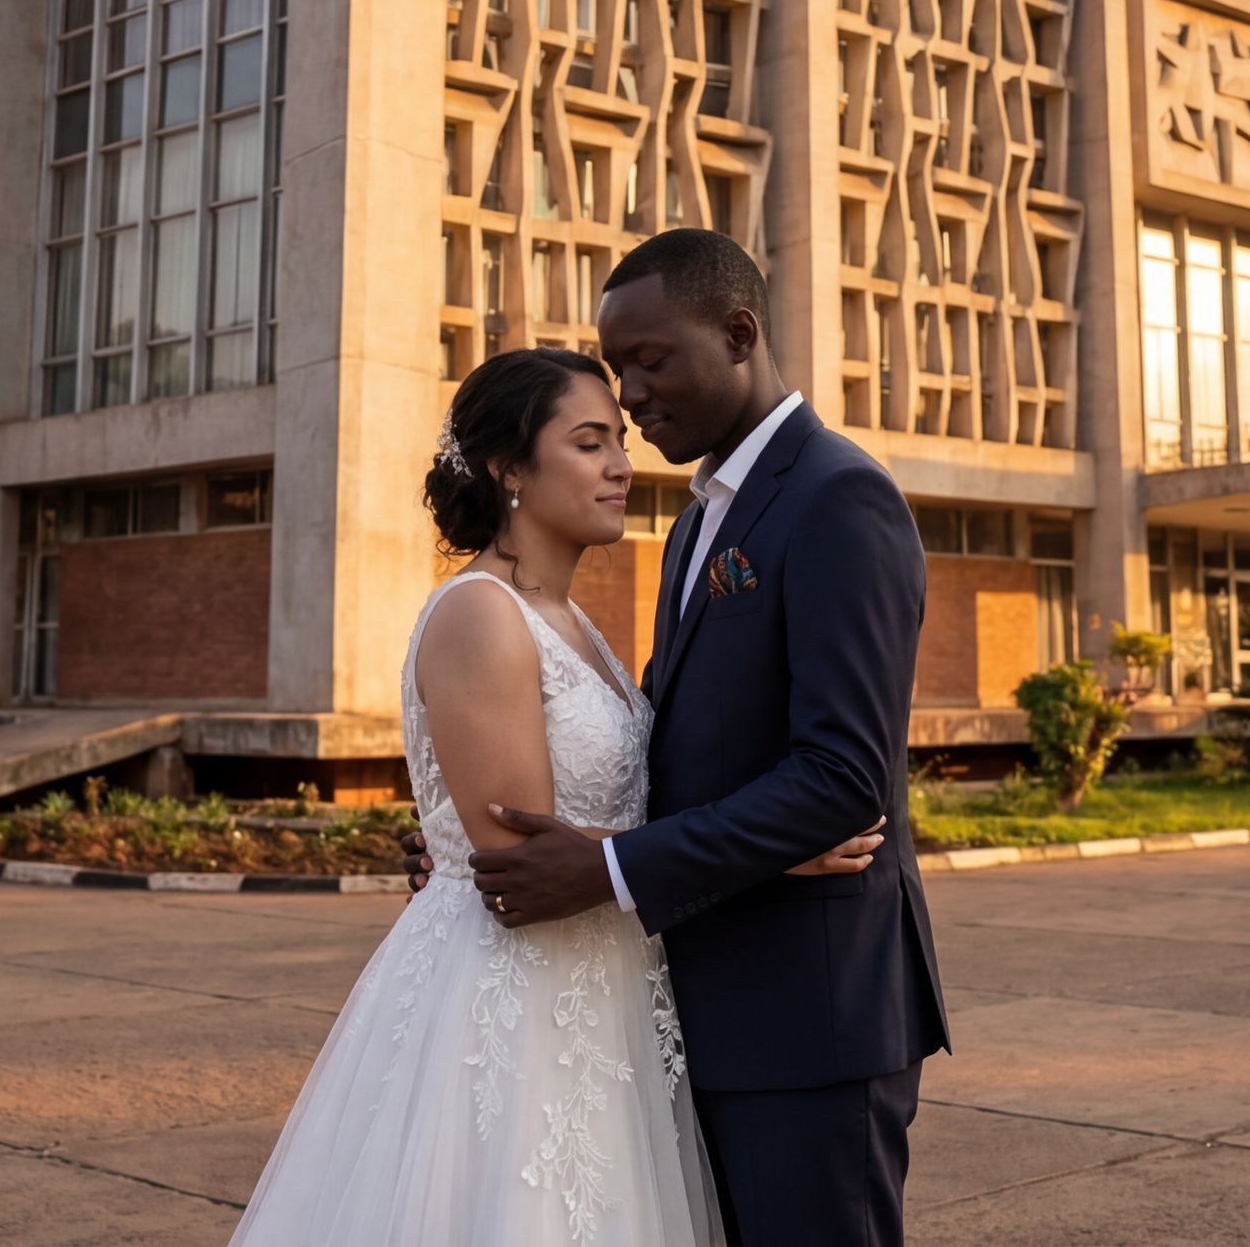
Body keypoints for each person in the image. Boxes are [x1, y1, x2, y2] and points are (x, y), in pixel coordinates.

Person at [228, 343, 882, 1246]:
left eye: (618, 438)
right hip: (524, 1004)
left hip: (606, 993)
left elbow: (611, 820)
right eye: (589, 443)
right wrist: (771, 854)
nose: (622, 463)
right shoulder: (479, 614)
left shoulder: (572, 622)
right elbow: (531, 868)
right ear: (510, 471)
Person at [429, 229, 951, 1246]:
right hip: (696, 1018)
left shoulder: (838, 497)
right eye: (616, 372)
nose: (627, 394)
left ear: (740, 333)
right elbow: (674, 749)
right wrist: (471, 847)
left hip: (813, 1018)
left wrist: (614, 867)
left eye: (649, 360)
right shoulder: (700, 522)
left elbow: (845, 773)